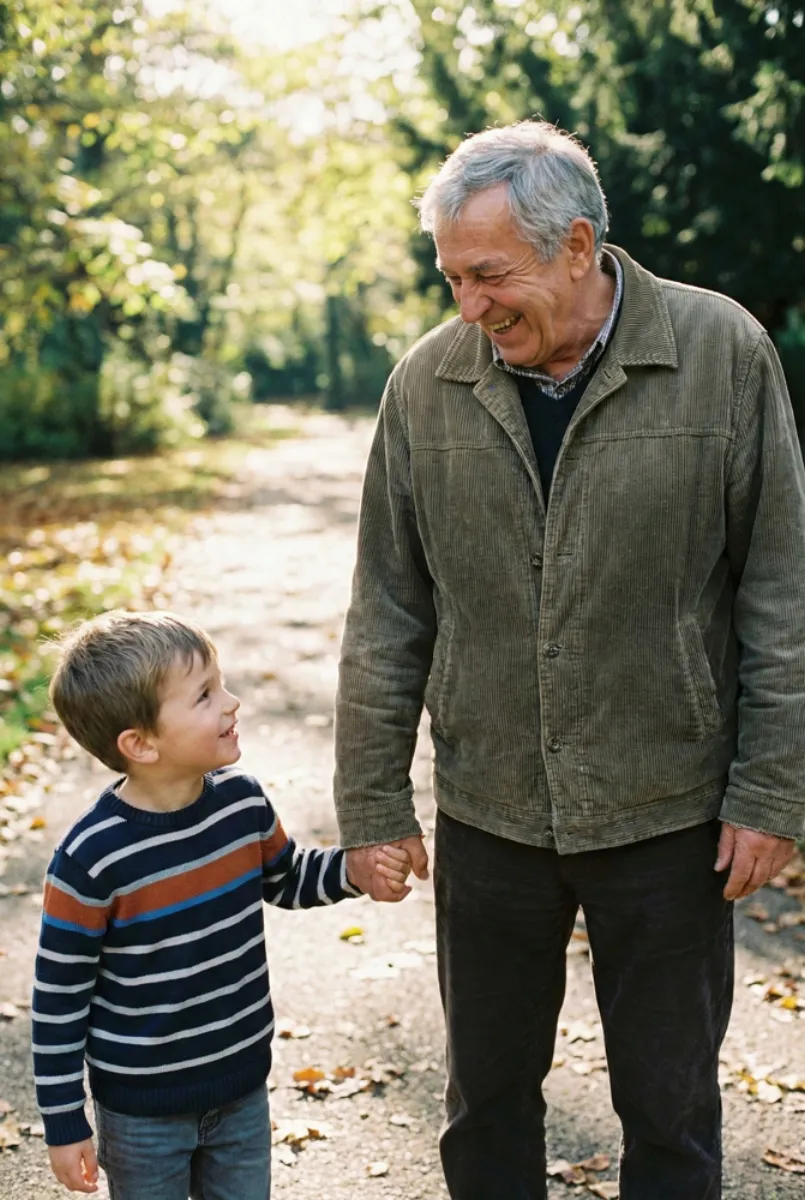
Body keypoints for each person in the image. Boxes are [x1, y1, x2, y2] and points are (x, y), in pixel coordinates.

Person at [334, 121, 805, 1200]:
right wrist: (370, 802)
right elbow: (388, 607)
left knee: (672, 1110)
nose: (468, 307)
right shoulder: (424, 385)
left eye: (490, 275)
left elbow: (780, 592)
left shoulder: (720, 351)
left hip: (668, 813)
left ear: (579, 244)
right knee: (485, 1106)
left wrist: (773, 787)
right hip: (490, 810)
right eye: (451, 277)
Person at [32, 609, 409, 1198]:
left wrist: (353, 870)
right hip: (141, 1113)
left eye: (222, 683)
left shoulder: (241, 804)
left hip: (241, 1088)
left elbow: (286, 878)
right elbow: (59, 1001)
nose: (232, 703)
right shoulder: (92, 859)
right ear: (141, 743)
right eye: (206, 694)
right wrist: (63, 1122)